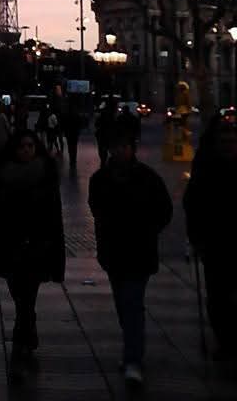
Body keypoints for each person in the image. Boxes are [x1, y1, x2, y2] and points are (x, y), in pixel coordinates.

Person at [88, 120, 173, 387]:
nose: (120, 151)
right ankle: (132, 352)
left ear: (131, 148)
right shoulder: (100, 179)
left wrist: (148, 229)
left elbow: (164, 209)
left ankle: (133, 359)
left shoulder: (147, 177)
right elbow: (96, 209)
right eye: (116, 147)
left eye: (124, 147)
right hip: (114, 252)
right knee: (124, 305)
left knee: (132, 304)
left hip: (139, 251)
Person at [0, 130, 65, 384]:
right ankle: (29, 333)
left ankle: (20, 347)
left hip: (37, 247)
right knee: (21, 298)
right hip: (11, 246)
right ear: (14, 150)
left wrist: (53, 249)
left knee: (26, 298)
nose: (27, 150)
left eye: (30, 146)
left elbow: (54, 217)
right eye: (22, 146)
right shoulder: (4, 177)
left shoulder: (46, 177)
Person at [184, 114, 237, 374]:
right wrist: (195, 237)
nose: (229, 144)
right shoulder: (206, 166)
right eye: (225, 139)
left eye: (232, 139)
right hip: (216, 241)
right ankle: (225, 341)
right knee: (218, 296)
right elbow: (193, 202)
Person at [94, 98, 118, 166]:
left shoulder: (102, 115)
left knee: (102, 149)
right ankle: (105, 161)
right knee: (108, 148)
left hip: (103, 135)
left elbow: (97, 124)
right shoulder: (112, 116)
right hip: (108, 135)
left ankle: (103, 161)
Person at [61, 98, 83, 171]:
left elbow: (63, 124)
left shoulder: (66, 115)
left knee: (70, 145)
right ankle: (74, 158)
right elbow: (80, 123)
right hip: (75, 132)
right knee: (74, 146)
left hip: (69, 133)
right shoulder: (76, 115)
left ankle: (71, 158)